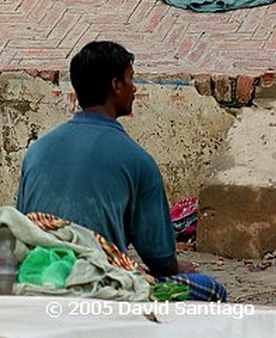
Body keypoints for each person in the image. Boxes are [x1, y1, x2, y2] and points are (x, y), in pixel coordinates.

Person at [17, 40, 227, 301]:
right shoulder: (137, 161)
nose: (134, 88)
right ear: (116, 85)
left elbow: (22, 228)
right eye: (130, 78)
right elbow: (160, 259)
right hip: (95, 285)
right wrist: (182, 266)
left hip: (35, 277)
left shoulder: (37, 152)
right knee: (212, 290)